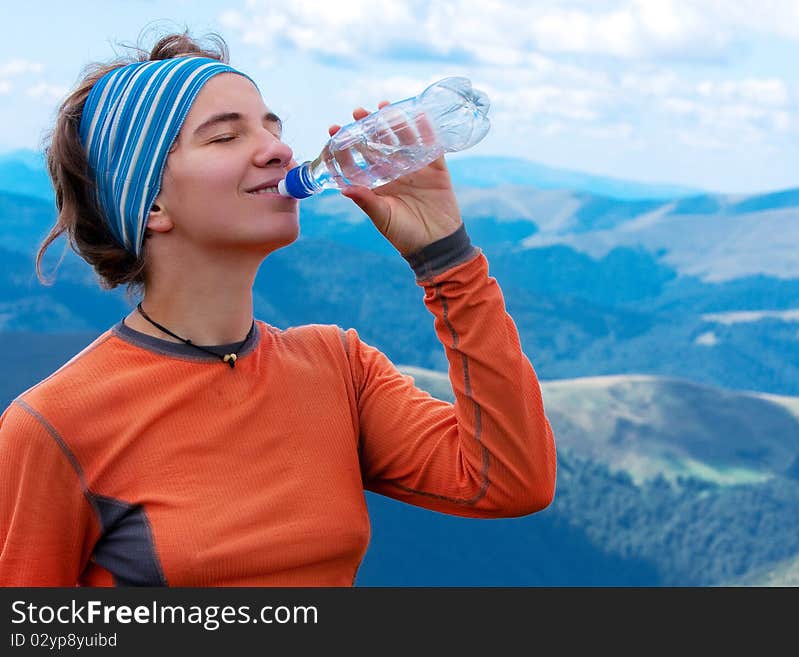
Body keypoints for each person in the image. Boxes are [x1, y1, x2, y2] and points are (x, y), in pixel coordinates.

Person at [0, 30, 556, 586]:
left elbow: (510, 480)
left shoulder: (338, 369)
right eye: (224, 137)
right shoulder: (54, 426)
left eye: (272, 126)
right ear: (151, 205)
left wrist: (445, 255)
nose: (278, 149)